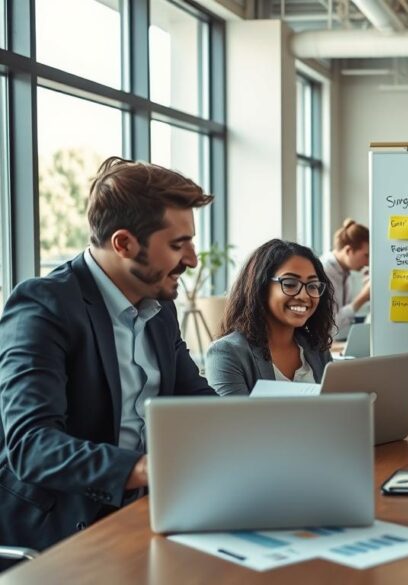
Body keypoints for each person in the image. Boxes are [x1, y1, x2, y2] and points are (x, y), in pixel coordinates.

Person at [0, 157, 216, 556]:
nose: (192, 259)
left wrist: (262, 431)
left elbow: (194, 397)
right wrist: (142, 469)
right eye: (177, 244)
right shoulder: (44, 306)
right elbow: (32, 446)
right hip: (59, 532)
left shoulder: (159, 308)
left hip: (148, 513)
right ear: (123, 243)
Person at [205, 239, 336, 396]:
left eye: (313, 286)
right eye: (290, 284)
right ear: (261, 287)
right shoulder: (227, 353)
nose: (304, 295)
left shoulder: (316, 348)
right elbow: (234, 419)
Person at [320, 219, 370, 340]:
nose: (368, 262)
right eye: (366, 256)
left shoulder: (345, 273)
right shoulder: (322, 273)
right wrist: (362, 298)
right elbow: (329, 328)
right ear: (348, 250)